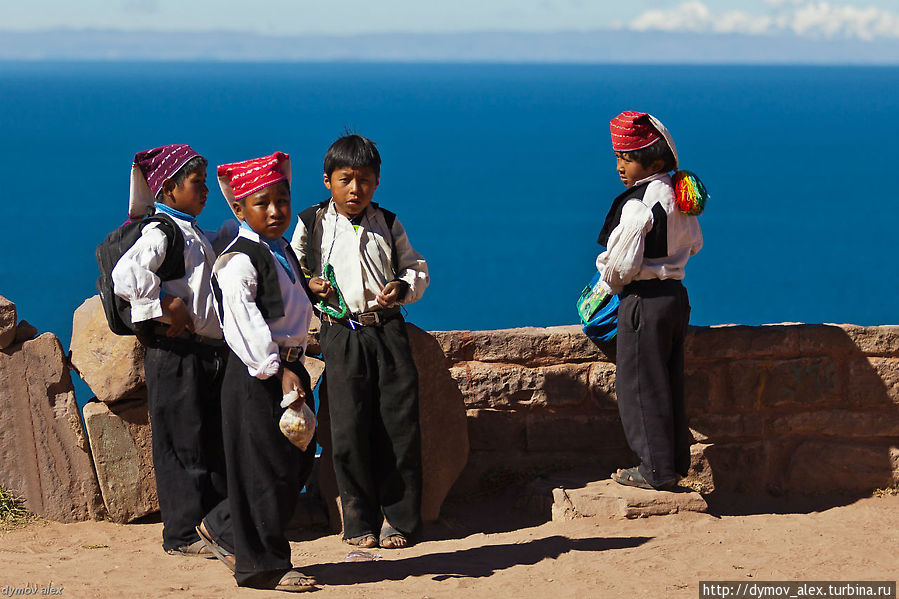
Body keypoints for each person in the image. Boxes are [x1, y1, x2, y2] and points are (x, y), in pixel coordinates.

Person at [290, 133, 429, 549]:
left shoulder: (387, 223)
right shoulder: (311, 223)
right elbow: (289, 265)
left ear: (377, 181)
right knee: (349, 428)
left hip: (386, 331)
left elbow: (416, 268)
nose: (356, 189)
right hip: (341, 332)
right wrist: (309, 283)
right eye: (346, 179)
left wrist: (402, 289)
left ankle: (400, 519)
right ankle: (358, 521)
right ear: (327, 180)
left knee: (398, 425)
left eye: (365, 180)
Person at [196, 151, 318, 593]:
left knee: (294, 463)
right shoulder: (238, 261)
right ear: (240, 209)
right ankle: (264, 566)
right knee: (267, 470)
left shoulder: (279, 250)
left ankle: (221, 525)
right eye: (262, 203)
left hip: (288, 369)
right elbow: (244, 322)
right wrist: (277, 371)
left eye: (281, 201)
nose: (275, 211)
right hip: (257, 375)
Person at [111, 144, 230, 556]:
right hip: (176, 354)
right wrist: (163, 306)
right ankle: (180, 535)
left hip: (202, 353)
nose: (205, 192)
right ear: (167, 188)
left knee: (208, 439)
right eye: (197, 184)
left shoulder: (190, 230)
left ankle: (212, 527)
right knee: (181, 444)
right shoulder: (162, 232)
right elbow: (125, 275)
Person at [596, 112, 703, 491]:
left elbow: (621, 265)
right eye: (618, 157)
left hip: (643, 301)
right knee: (668, 381)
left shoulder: (638, 203)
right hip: (675, 297)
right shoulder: (677, 193)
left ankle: (653, 469)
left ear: (653, 162)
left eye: (626, 158)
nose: (620, 166)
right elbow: (695, 242)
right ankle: (671, 463)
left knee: (639, 385)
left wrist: (604, 280)